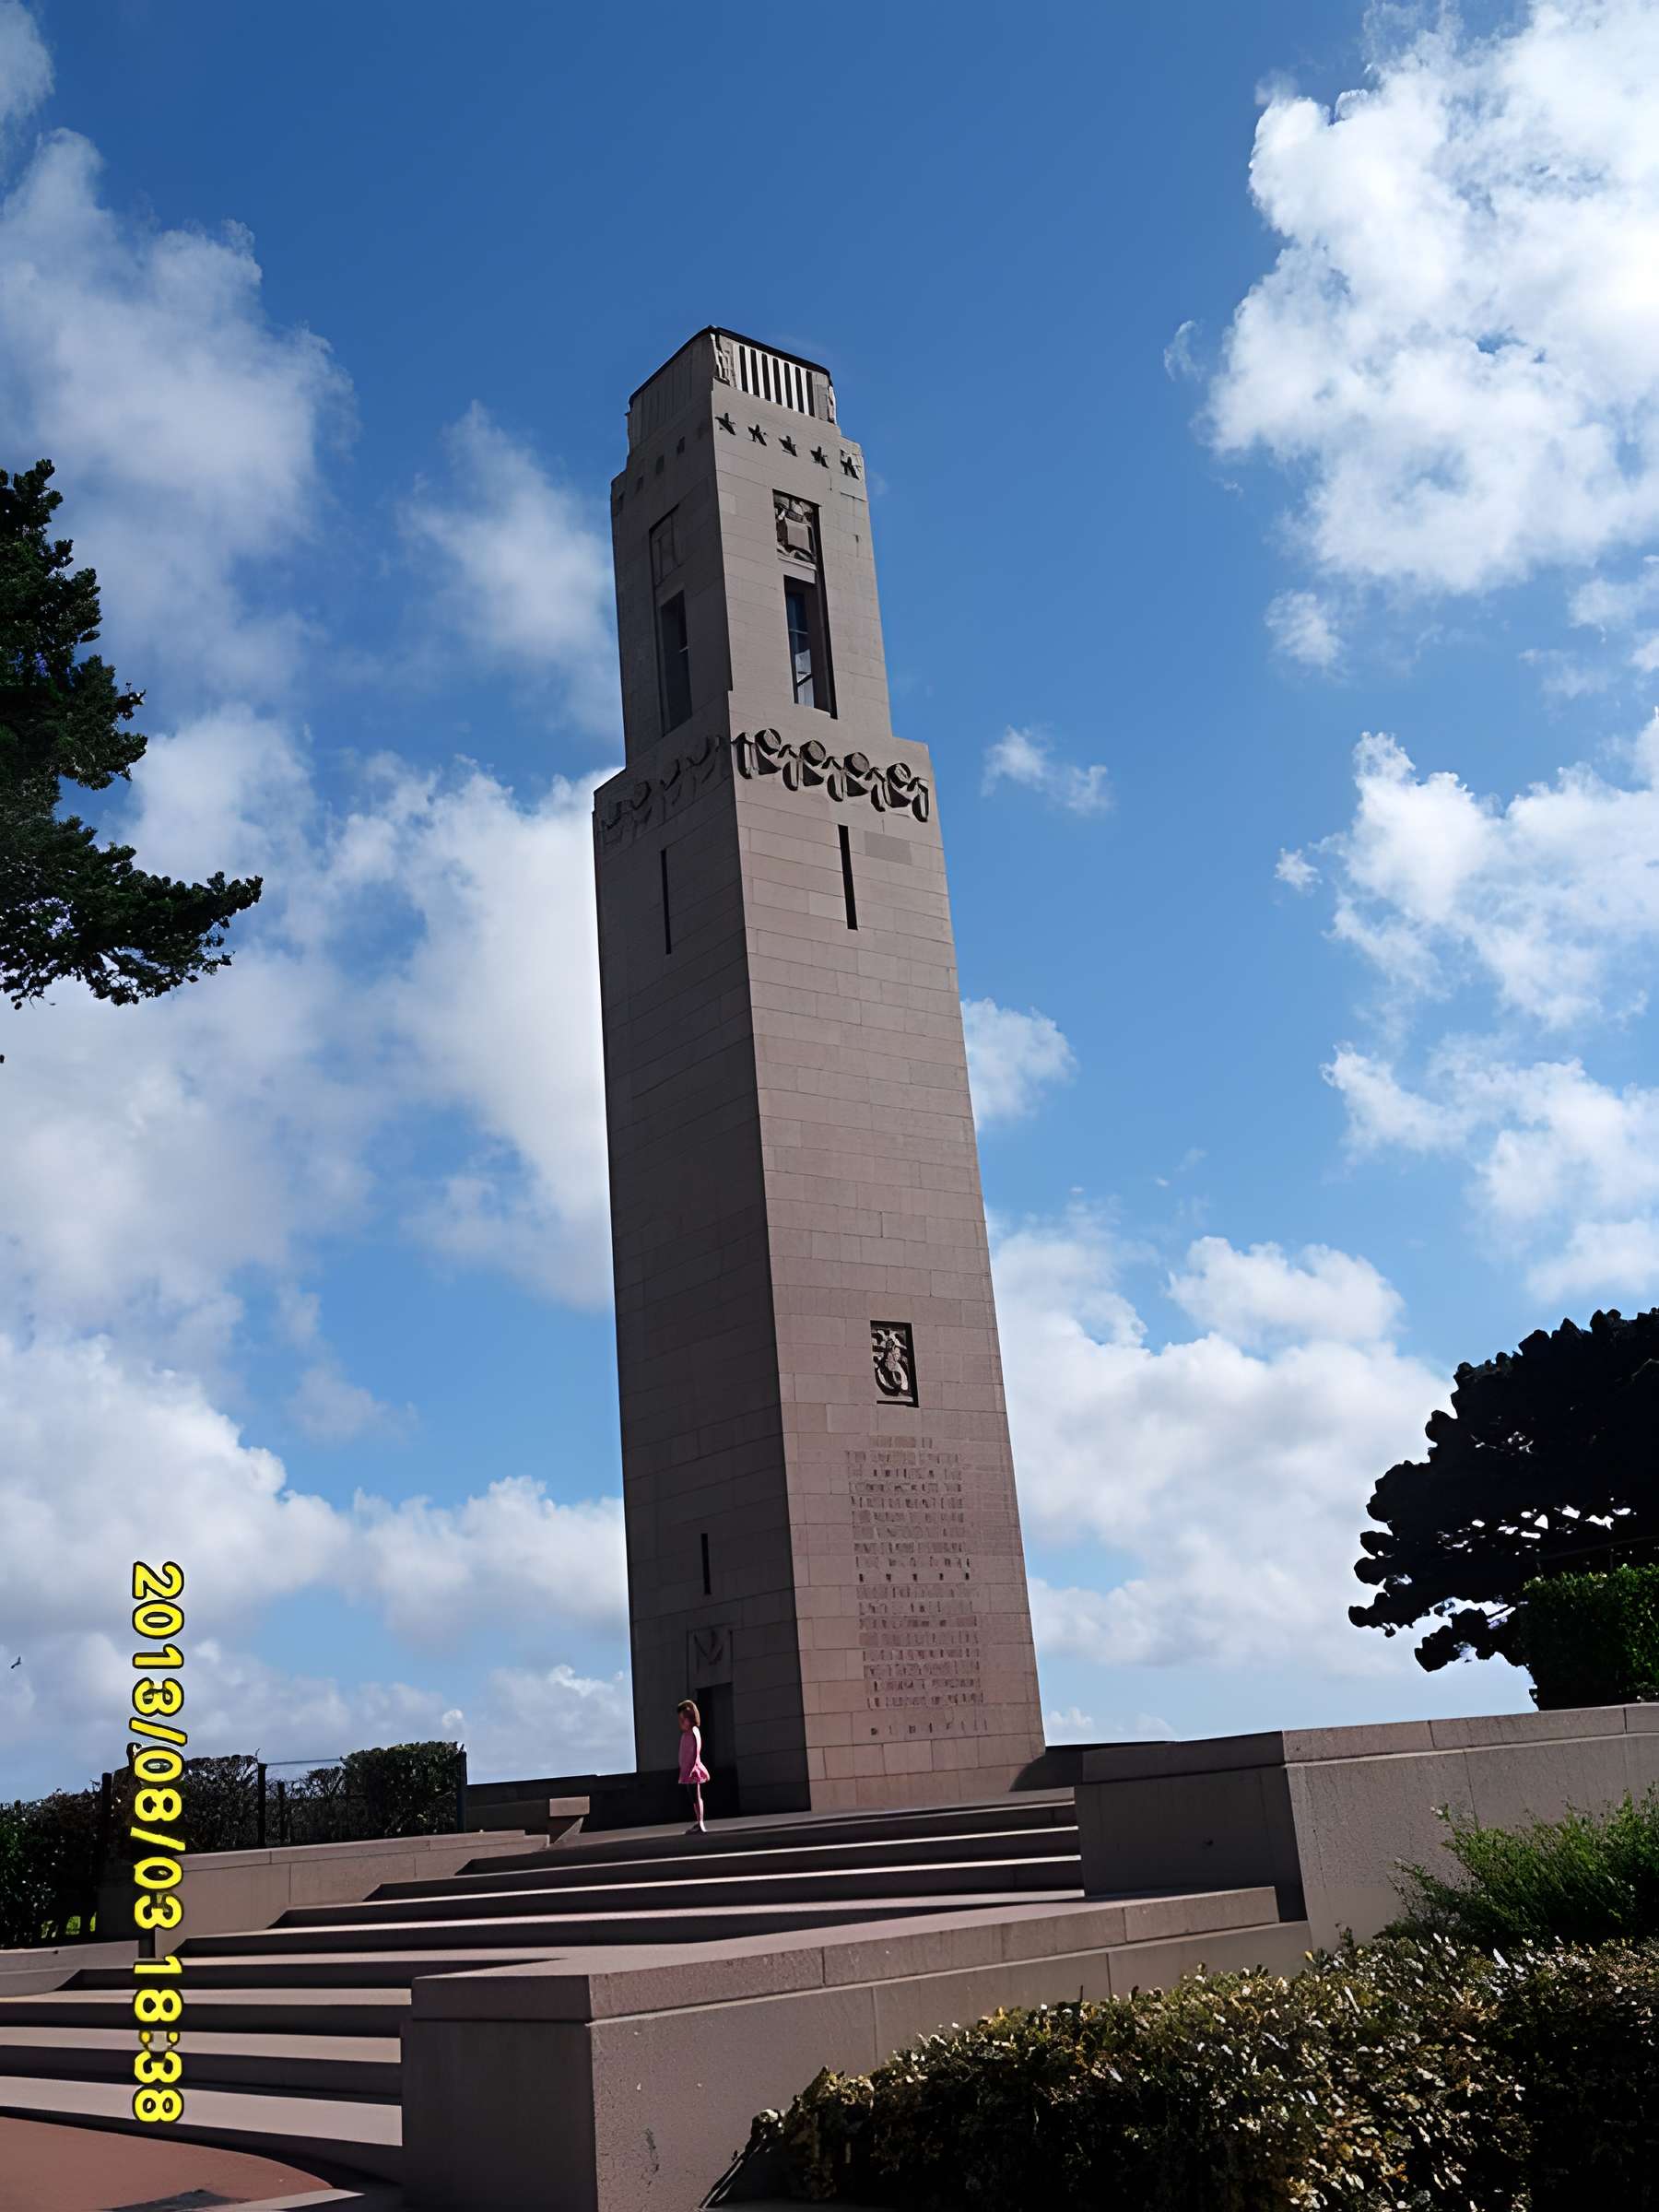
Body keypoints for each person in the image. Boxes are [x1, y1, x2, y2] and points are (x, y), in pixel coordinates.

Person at [677, 1698, 710, 1833]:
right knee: (693, 1797)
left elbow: (696, 1750)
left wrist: (692, 1768)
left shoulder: (694, 1731)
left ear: (689, 1719)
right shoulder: (686, 1734)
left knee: (696, 1796)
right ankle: (698, 1821)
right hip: (686, 1769)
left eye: (682, 1720)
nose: (681, 1723)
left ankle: (700, 1823)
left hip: (693, 1768)